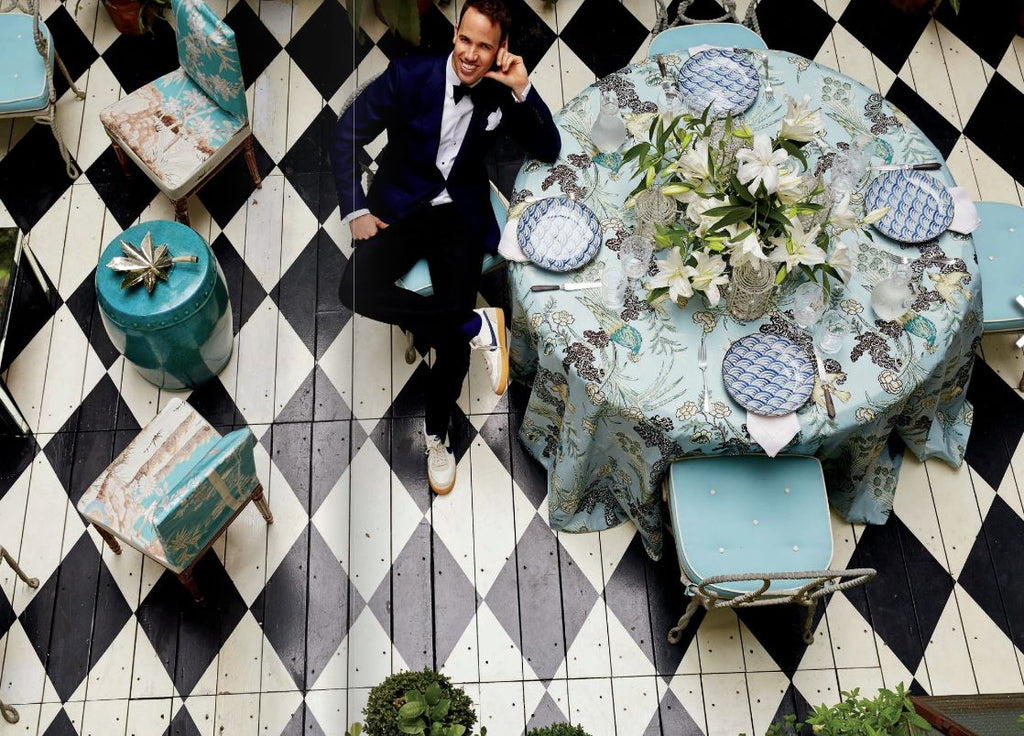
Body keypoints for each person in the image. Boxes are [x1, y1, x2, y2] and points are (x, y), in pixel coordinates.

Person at [331, 0, 561, 494]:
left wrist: (522, 87)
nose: (471, 55)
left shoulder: (500, 91)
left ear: (501, 49)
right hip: (400, 204)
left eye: (484, 46)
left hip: (459, 213)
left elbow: (549, 148)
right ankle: (472, 325)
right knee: (353, 290)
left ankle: (437, 433)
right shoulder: (407, 76)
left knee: (452, 352)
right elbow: (344, 135)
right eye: (465, 40)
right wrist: (355, 210)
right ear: (455, 32)